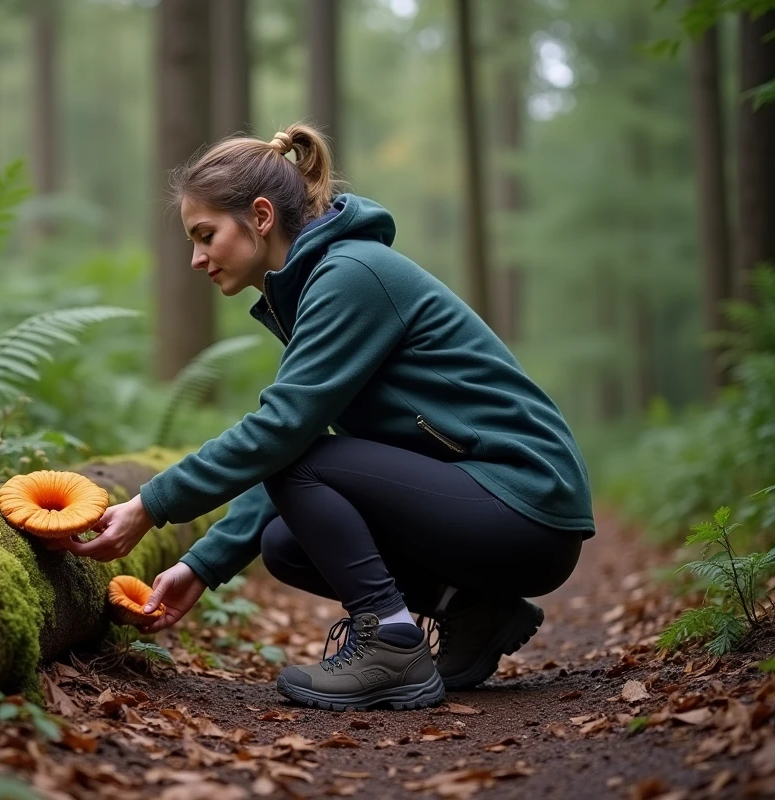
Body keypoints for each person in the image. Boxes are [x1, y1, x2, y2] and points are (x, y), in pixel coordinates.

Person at [48, 123, 595, 712]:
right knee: (287, 543)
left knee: (296, 458)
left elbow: (285, 434)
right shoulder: (323, 283)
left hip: (526, 502)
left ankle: (390, 642)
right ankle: (475, 610)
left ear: (260, 217)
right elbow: (301, 439)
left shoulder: (352, 275)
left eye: (205, 235)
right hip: (495, 508)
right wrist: (202, 565)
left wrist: (150, 505)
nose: (195, 258)